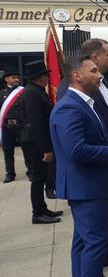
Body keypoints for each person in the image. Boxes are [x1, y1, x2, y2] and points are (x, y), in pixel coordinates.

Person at [50, 53, 108, 277]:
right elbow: (76, 150)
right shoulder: (68, 107)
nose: (100, 75)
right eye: (94, 71)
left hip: (90, 184)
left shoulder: (83, 103)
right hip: (86, 186)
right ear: (77, 76)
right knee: (95, 243)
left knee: (83, 242)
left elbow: (87, 143)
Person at [19, 60, 62, 224]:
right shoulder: (32, 93)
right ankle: (37, 212)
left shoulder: (36, 90)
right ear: (39, 77)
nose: (47, 78)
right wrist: (46, 149)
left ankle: (42, 208)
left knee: (42, 175)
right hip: (34, 142)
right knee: (37, 177)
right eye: (45, 75)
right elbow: (36, 122)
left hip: (36, 140)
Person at [0, 64, 27, 183]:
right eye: (13, 77)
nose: (16, 79)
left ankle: (30, 171)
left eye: (17, 77)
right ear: (6, 79)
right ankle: (10, 174)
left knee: (27, 149)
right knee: (8, 151)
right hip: (7, 127)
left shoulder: (24, 91)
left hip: (21, 125)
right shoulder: (2, 93)